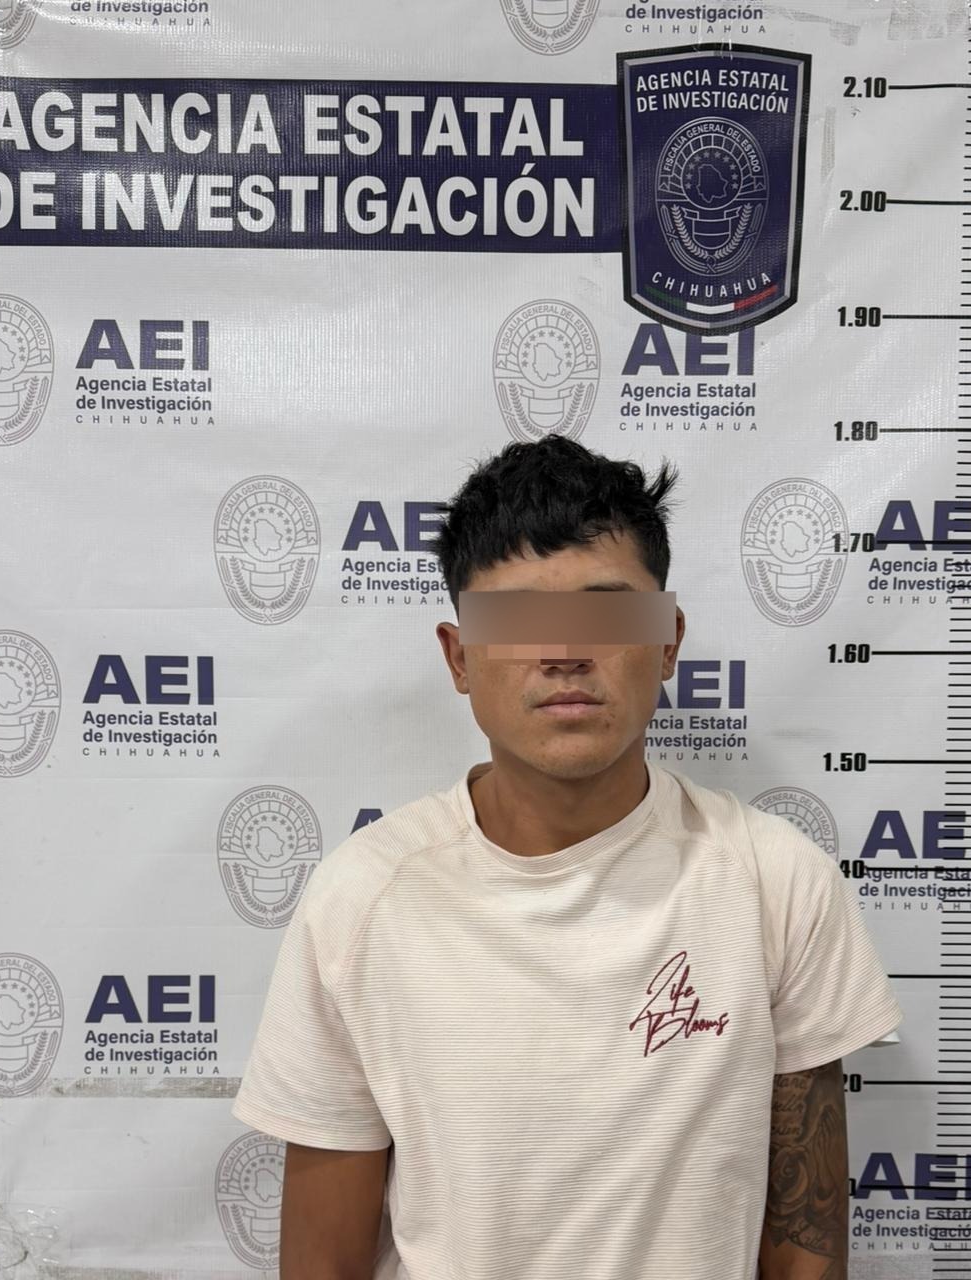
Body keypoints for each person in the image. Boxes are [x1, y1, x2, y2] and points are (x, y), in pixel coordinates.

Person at [231, 434, 903, 1280]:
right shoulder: (361, 899)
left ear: (667, 641)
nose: (563, 652)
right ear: (458, 657)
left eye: (605, 614)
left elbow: (805, 1239)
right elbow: (322, 1263)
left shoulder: (776, 881)